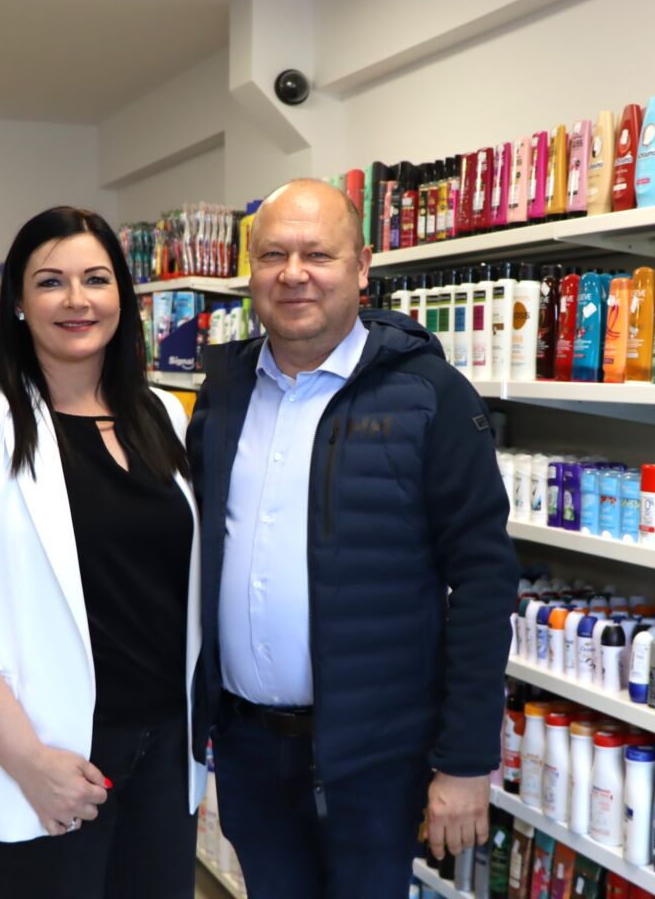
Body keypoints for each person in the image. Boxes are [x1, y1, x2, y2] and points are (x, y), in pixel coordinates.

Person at [188, 179, 518, 898]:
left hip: (376, 758)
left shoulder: (429, 395)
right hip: (247, 749)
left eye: (318, 254)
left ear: (362, 267)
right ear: (250, 269)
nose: (293, 274)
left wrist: (465, 761)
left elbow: (485, 580)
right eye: (273, 254)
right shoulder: (225, 392)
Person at [0, 206, 204, 898]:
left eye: (96, 279)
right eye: (50, 282)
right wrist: (30, 761)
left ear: (122, 298)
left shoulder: (164, 414)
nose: (76, 300)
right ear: (18, 302)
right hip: (47, 756)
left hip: (166, 751)